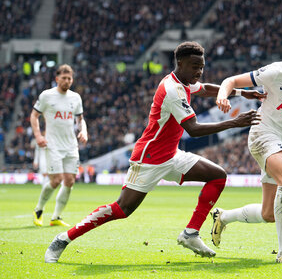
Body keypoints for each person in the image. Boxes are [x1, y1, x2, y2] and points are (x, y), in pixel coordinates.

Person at [44, 41, 265, 263]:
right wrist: (234, 122)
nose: (199, 71)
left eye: (202, 67)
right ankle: (63, 238)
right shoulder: (172, 89)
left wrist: (239, 93)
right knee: (122, 209)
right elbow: (194, 129)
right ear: (180, 63)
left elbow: (205, 88)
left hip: (171, 155)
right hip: (149, 159)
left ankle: (190, 233)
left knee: (217, 177)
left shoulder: (185, 81)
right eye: (194, 66)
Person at [212, 34, 282, 264]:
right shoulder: (276, 71)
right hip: (262, 132)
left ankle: (223, 216)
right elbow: (231, 81)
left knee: (269, 214)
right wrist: (222, 96)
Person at [31, 64, 88, 227]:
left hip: (71, 145)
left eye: (69, 78)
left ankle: (56, 216)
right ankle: (39, 209)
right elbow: (34, 116)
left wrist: (84, 131)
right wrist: (38, 135)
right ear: (57, 79)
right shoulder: (46, 96)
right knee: (56, 180)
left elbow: (80, 119)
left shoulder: (75, 97)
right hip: (53, 144)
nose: (67, 81)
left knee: (70, 181)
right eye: (64, 78)